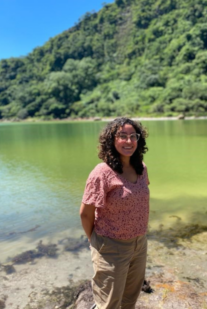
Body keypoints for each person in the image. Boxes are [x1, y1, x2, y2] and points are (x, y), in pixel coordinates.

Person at [80, 117, 150, 309]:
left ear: (139, 140)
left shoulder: (141, 168)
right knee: (109, 303)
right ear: (112, 140)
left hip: (139, 243)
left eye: (133, 136)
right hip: (111, 246)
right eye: (122, 136)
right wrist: (96, 242)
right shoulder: (102, 173)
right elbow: (86, 213)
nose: (128, 141)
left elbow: (139, 199)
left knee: (130, 299)